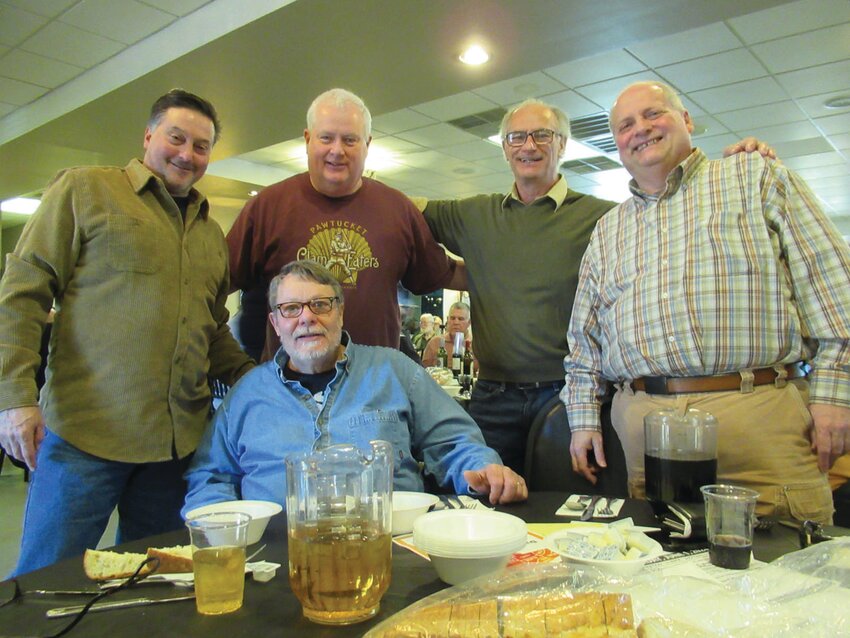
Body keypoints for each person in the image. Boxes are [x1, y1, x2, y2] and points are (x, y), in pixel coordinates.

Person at [416, 99, 774, 473]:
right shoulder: (472, 214)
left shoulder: (606, 217)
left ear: (563, 145)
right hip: (492, 394)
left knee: (572, 508)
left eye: (542, 135)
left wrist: (745, 162)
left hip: (571, 394)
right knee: (487, 501)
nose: (528, 146)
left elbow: (674, 227)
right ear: (505, 147)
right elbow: (399, 207)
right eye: (516, 137)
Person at [563, 81, 850, 523]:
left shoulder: (756, 178)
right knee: (665, 571)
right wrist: (583, 419)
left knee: (787, 570)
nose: (640, 129)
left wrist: (835, 396)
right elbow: (584, 340)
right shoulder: (608, 230)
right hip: (646, 434)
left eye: (653, 114)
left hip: (759, 421)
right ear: (617, 142)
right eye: (625, 124)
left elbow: (833, 288)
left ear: (687, 120)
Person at [0, 89, 255, 575]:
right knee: (42, 583)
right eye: (176, 138)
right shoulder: (85, 190)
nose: (187, 154)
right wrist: (14, 396)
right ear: (148, 135)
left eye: (201, 147)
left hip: (174, 450)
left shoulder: (209, 234)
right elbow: (22, 291)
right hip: (83, 439)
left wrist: (256, 381)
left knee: (152, 584)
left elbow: (212, 328)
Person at [183, 260, 527, 514]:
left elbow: (455, 441)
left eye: (320, 304)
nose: (307, 318)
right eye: (291, 309)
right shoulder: (246, 395)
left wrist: (484, 468)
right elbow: (211, 478)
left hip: (391, 546)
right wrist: (225, 534)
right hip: (277, 558)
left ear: (340, 312)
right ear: (275, 323)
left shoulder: (394, 371)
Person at [226, 88, 463, 362]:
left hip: (374, 391)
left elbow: (441, 273)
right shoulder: (268, 206)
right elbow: (213, 285)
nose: (337, 151)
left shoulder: (397, 209)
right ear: (307, 139)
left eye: (350, 140)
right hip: (289, 393)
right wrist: (233, 367)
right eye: (326, 138)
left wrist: (507, 276)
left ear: (367, 144)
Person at [422, 301, 477, 371]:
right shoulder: (435, 343)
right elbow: (424, 372)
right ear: (448, 319)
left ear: (469, 322)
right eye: (452, 318)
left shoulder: (477, 345)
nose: (456, 322)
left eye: (460, 319)